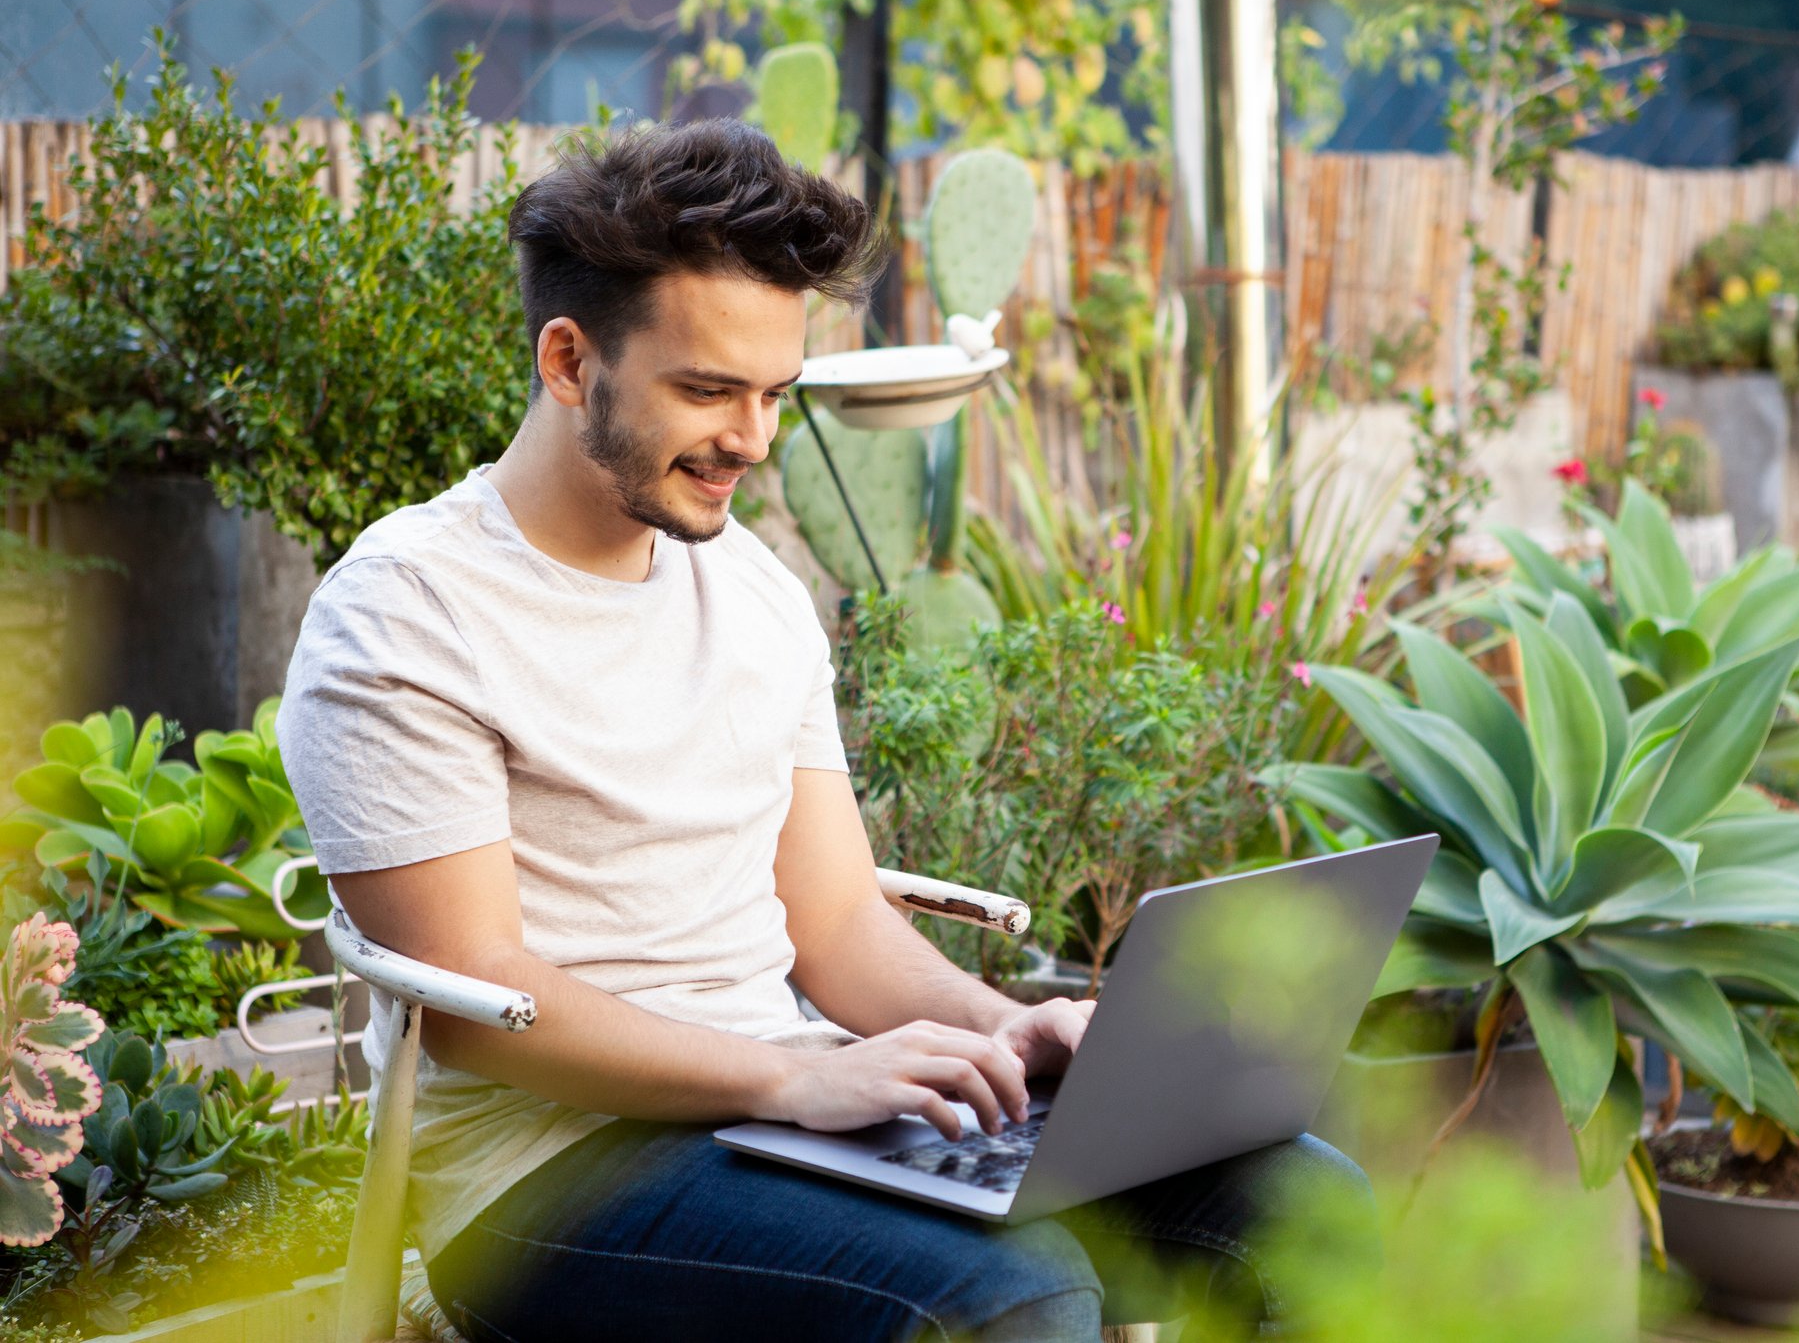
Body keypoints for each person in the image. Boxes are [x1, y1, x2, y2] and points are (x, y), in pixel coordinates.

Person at [276, 118, 1376, 1343]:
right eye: (706, 390)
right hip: (542, 1177)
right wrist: (796, 1075)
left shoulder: (752, 590)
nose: (750, 438)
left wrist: (1003, 1030)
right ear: (570, 359)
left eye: (771, 394)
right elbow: (483, 1004)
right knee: (1014, 1295)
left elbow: (839, 922)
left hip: (788, 1113)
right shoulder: (404, 612)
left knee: (1303, 1201)